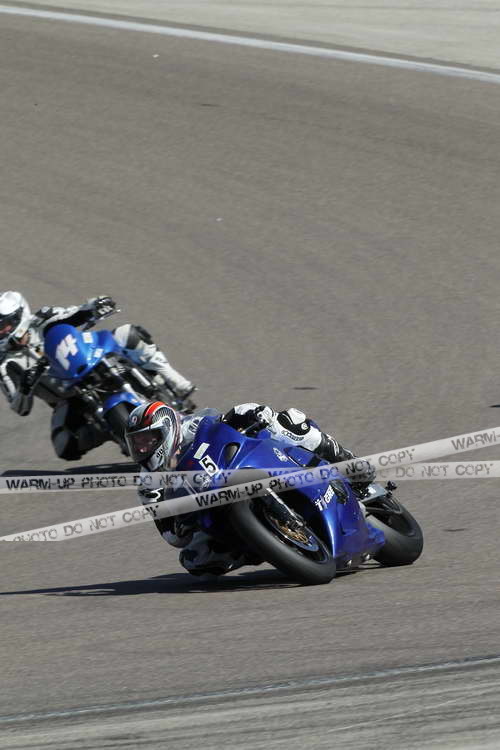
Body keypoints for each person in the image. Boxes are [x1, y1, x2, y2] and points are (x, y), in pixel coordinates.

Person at [125, 400, 375, 576]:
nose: (142, 448)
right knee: (195, 560)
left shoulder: (192, 426)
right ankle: (265, 545)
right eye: (136, 444)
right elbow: (173, 537)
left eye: (147, 439)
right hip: (214, 510)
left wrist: (252, 415)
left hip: (245, 465)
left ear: (167, 429)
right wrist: (181, 523)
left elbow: (225, 421)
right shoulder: (149, 486)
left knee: (287, 422)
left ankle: (346, 461)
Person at [0, 290, 195, 459]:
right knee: (64, 445)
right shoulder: (4, 364)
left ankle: (175, 382)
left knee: (128, 333)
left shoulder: (43, 319)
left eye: (3, 325)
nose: (1, 331)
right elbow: (19, 407)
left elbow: (75, 314)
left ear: (18, 316)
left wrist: (96, 305)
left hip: (91, 358)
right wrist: (24, 388)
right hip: (68, 397)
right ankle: (113, 431)